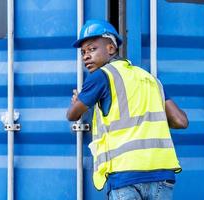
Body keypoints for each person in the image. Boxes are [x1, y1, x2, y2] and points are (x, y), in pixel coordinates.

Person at [66, 19, 188, 200]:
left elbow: (72, 114)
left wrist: (77, 101)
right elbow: (181, 121)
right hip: (163, 175)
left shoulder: (101, 76)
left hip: (125, 175)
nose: (85, 56)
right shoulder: (150, 79)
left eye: (92, 49)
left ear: (111, 49)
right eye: (83, 52)